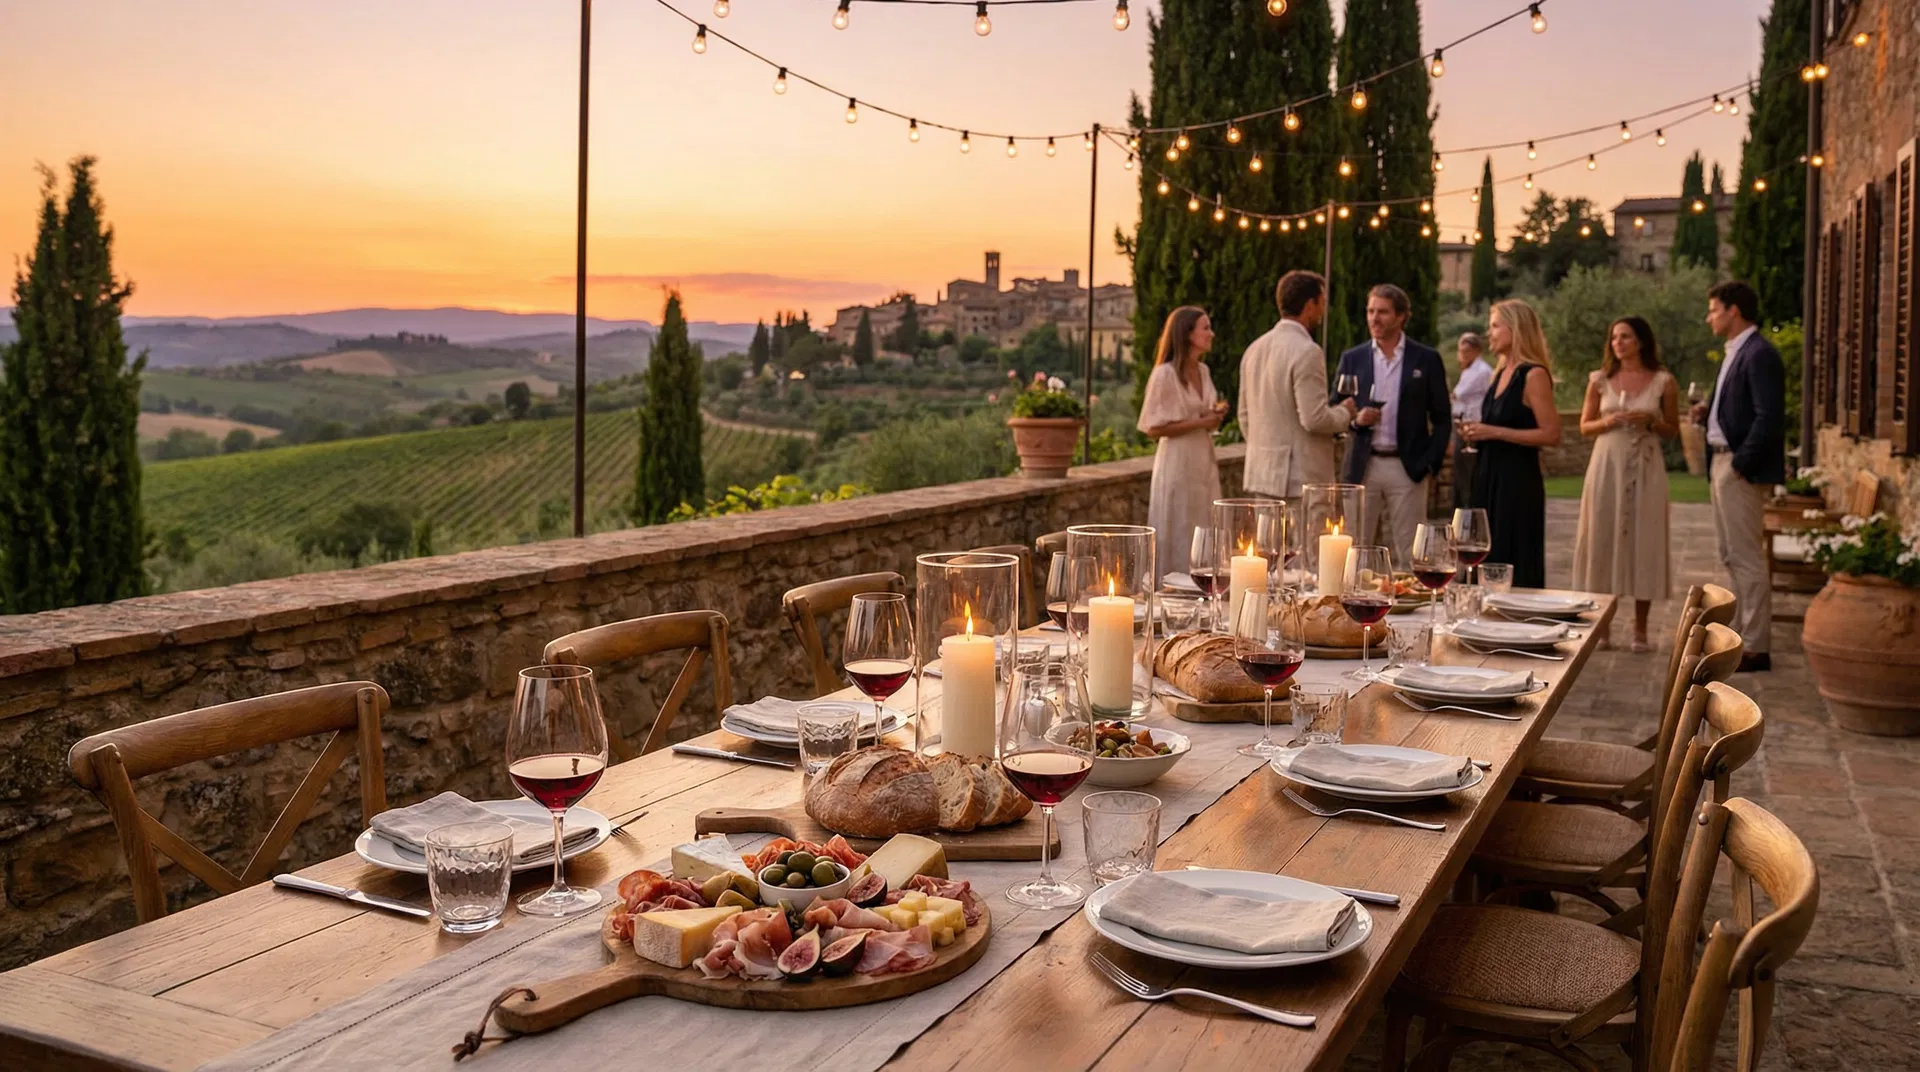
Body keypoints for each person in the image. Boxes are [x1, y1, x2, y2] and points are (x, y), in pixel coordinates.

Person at [1691, 280, 1785, 673]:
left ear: (1733, 310)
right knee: (1731, 554)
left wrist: (1741, 463)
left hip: (1737, 467)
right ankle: (1745, 636)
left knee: (1746, 557)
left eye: (1714, 309)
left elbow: (1769, 417)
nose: (1709, 317)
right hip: (1722, 461)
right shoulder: (1737, 350)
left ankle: (1756, 648)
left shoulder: (1759, 353)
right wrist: (1709, 413)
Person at [1571, 317, 1677, 652]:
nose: (1618, 342)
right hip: (1607, 465)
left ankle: (1640, 629)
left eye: (1626, 336)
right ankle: (1602, 625)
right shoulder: (1599, 380)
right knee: (1603, 536)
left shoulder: (1663, 381)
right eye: (1614, 337)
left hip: (1646, 465)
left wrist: (1652, 421)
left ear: (1641, 341)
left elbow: (1672, 430)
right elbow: (1584, 426)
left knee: (1645, 539)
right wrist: (1609, 420)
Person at [1331, 284, 1451, 564]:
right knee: (1353, 552)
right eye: (1370, 311)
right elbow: (1335, 407)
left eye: (1383, 312)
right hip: (1362, 466)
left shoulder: (1426, 359)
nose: (1374, 318)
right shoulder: (1353, 358)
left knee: (1412, 554)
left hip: (1407, 467)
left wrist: (1429, 464)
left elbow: (1442, 417)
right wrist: (1356, 420)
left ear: (1401, 316)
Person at [1459, 299, 1562, 589]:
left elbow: (1551, 434)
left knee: (1513, 557)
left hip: (1516, 483)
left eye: (1495, 326)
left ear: (1515, 328)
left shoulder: (1533, 375)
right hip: (1488, 477)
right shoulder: (1500, 373)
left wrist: (1493, 432)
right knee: (1484, 554)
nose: (1489, 333)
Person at [1240, 270, 1357, 499]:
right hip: (1302, 481)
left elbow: (1245, 417)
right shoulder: (1307, 351)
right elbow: (1314, 419)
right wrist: (1346, 412)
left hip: (1262, 477)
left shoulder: (1254, 349)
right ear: (1310, 305)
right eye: (1322, 303)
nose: (1323, 311)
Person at [1138, 305, 1226, 580]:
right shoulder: (1164, 375)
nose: (1211, 334)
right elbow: (1152, 427)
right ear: (1188, 333)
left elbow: (1204, 416)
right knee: (1178, 528)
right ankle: (1173, 588)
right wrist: (1201, 422)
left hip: (1202, 461)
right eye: (1205, 328)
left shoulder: (1204, 371)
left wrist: (1214, 415)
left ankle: (1205, 587)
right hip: (1177, 463)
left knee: (1204, 525)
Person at [1450, 332, 1493, 509]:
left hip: (1471, 426)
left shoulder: (1481, 371)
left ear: (1476, 350)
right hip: (1461, 424)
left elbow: (1458, 393)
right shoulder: (1468, 370)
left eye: (1466, 351)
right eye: (1461, 351)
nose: (1462, 355)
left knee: (1467, 472)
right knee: (1460, 471)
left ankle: (1469, 509)